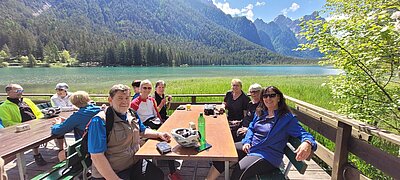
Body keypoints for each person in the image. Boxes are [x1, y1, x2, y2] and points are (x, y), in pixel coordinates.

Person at [207, 86, 317, 180]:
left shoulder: (286, 118)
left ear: (278, 98)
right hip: (252, 146)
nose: (268, 98)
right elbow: (251, 128)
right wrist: (247, 141)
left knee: (239, 170)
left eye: (272, 95)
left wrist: (307, 143)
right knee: (225, 153)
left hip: (267, 155)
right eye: (265, 96)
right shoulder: (261, 113)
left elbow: (304, 134)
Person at [88, 84, 168, 179]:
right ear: (110, 100)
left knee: (157, 175)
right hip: (114, 172)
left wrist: (159, 134)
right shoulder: (100, 121)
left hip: (134, 164)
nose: (124, 102)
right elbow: (97, 157)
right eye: (120, 98)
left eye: (127, 98)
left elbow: (142, 130)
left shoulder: (131, 113)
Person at [0, 84, 47, 166]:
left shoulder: (27, 100)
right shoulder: (3, 107)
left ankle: (61, 150)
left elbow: (38, 113)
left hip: (36, 125)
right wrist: (26, 125)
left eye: (22, 90)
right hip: (21, 130)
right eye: (18, 91)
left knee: (57, 129)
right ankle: (36, 154)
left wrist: (40, 121)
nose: (21, 93)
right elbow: (7, 122)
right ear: (8, 92)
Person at [51, 91, 102, 160]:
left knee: (61, 154)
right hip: (101, 143)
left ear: (74, 103)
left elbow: (57, 131)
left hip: (86, 148)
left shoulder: (77, 116)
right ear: (88, 99)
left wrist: (57, 124)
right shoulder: (99, 110)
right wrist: (68, 121)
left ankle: (71, 169)